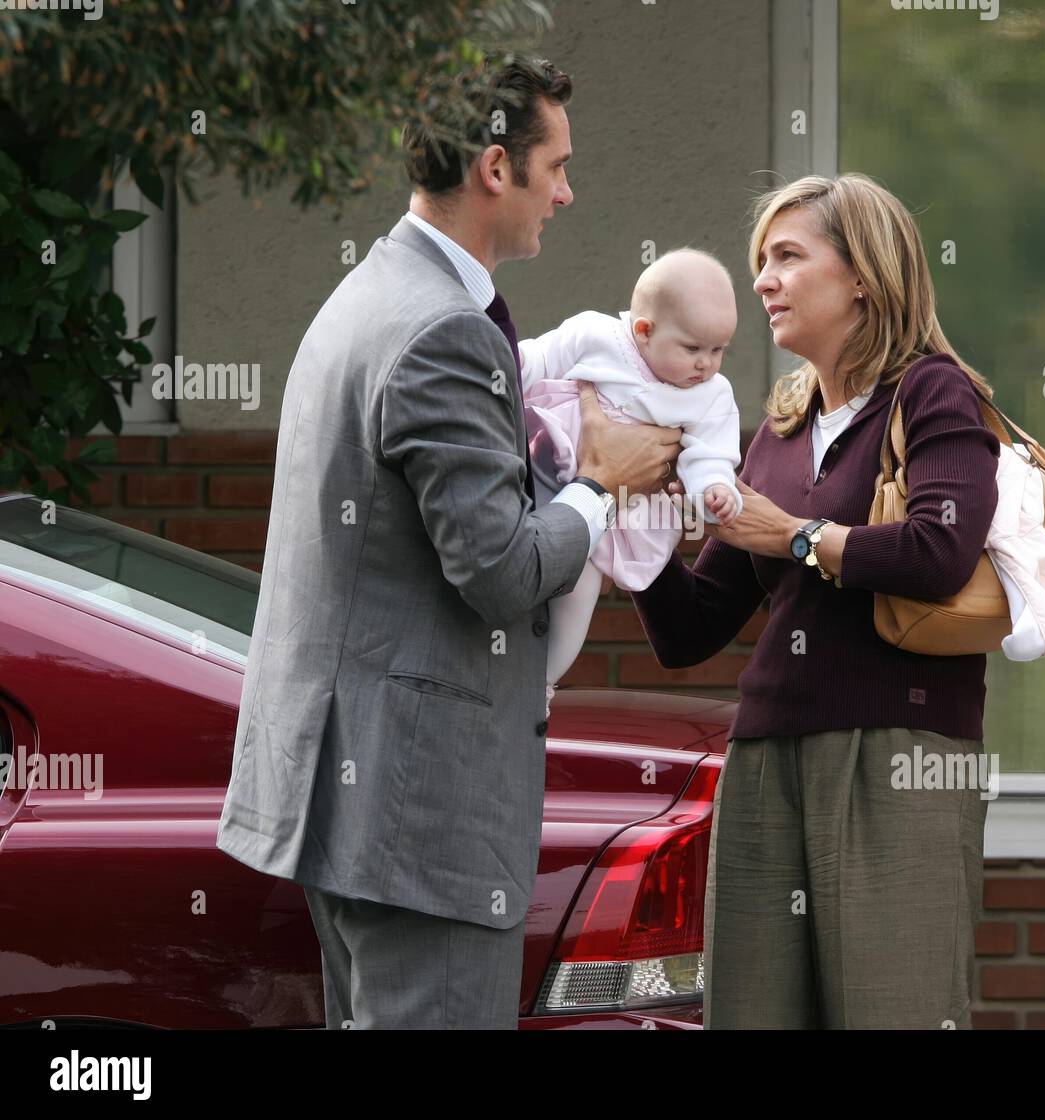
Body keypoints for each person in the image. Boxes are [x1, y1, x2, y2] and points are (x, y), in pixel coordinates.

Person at [215, 56, 683, 1029]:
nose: (567, 190)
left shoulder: (370, 294)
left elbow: (434, 522)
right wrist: (603, 484)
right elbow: (500, 571)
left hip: (353, 801)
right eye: (554, 165)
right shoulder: (445, 331)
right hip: (416, 818)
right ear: (494, 169)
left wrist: (560, 469)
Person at [631, 172, 1002, 1029]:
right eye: (761, 259)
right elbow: (691, 630)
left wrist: (798, 536)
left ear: (863, 276)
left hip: (894, 760)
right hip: (765, 762)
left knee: (891, 1013)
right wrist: (627, 512)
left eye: (788, 257)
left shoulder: (934, 393)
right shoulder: (779, 433)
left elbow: (940, 552)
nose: (761, 279)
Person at [517, 248, 744, 715]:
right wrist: (498, 370)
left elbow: (710, 453)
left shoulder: (711, 396)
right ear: (644, 331)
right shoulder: (596, 336)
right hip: (539, 468)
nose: (707, 364)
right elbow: (536, 358)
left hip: (606, 513)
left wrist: (713, 490)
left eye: (718, 350)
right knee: (516, 568)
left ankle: (539, 684)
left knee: (576, 596)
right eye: (693, 348)